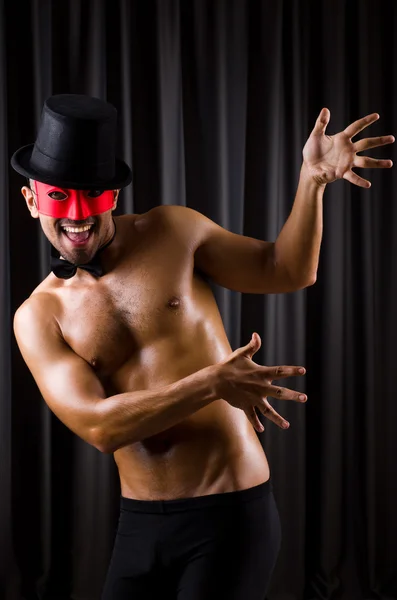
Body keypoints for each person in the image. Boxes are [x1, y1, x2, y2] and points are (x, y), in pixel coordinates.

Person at [11, 94, 394, 600]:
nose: (77, 216)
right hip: (139, 522)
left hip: (231, 513)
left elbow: (287, 270)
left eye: (92, 195)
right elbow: (99, 425)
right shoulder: (39, 316)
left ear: (113, 195)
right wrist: (212, 382)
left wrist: (312, 183)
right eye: (60, 196)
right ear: (33, 200)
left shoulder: (174, 230)